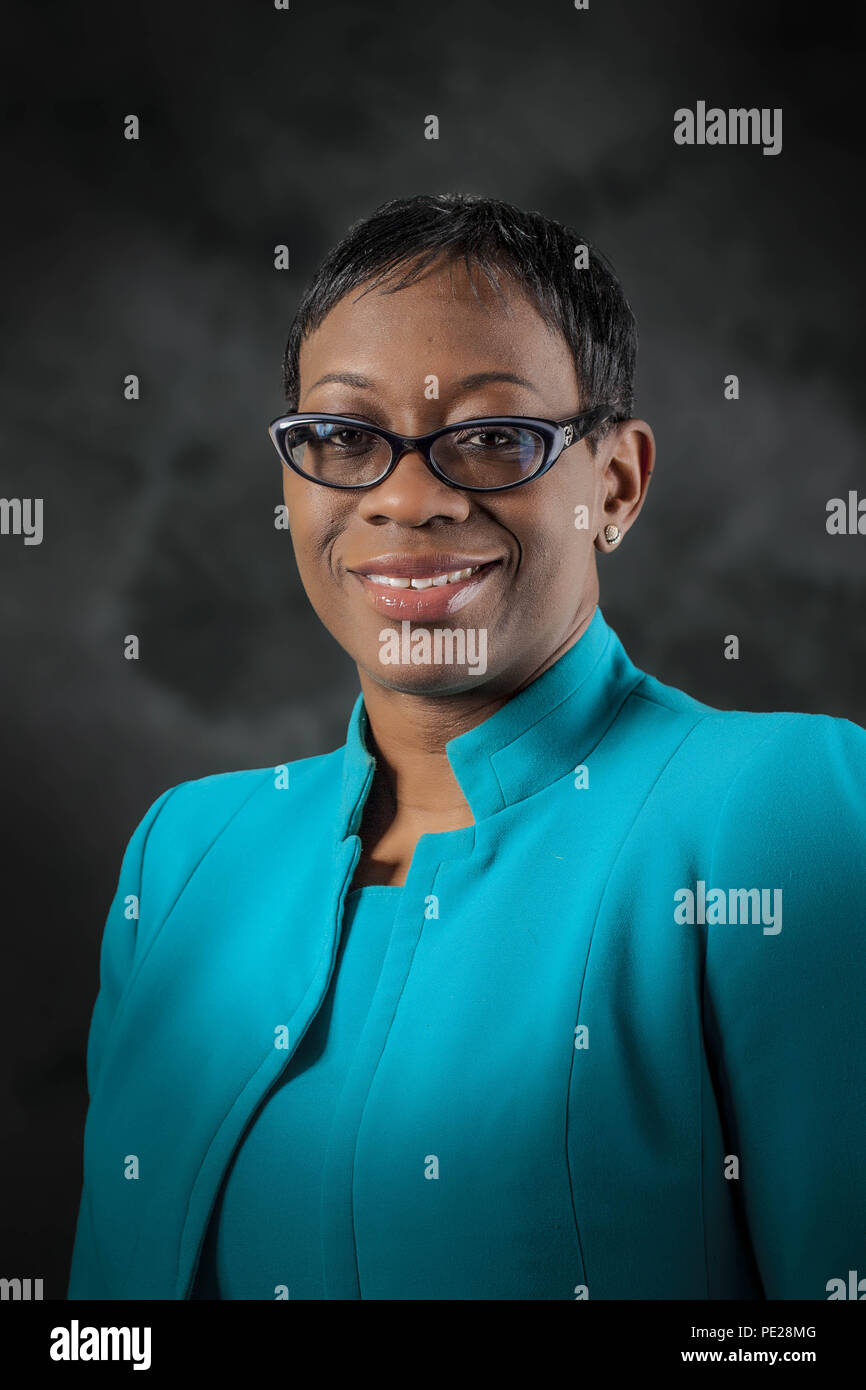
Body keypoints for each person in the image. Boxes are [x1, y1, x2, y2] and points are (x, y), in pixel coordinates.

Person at [68, 193, 866, 1301]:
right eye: (343, 437)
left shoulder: (780, 809)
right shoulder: (187, 854)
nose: (406, 497)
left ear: (615, 484)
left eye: (492, 437)